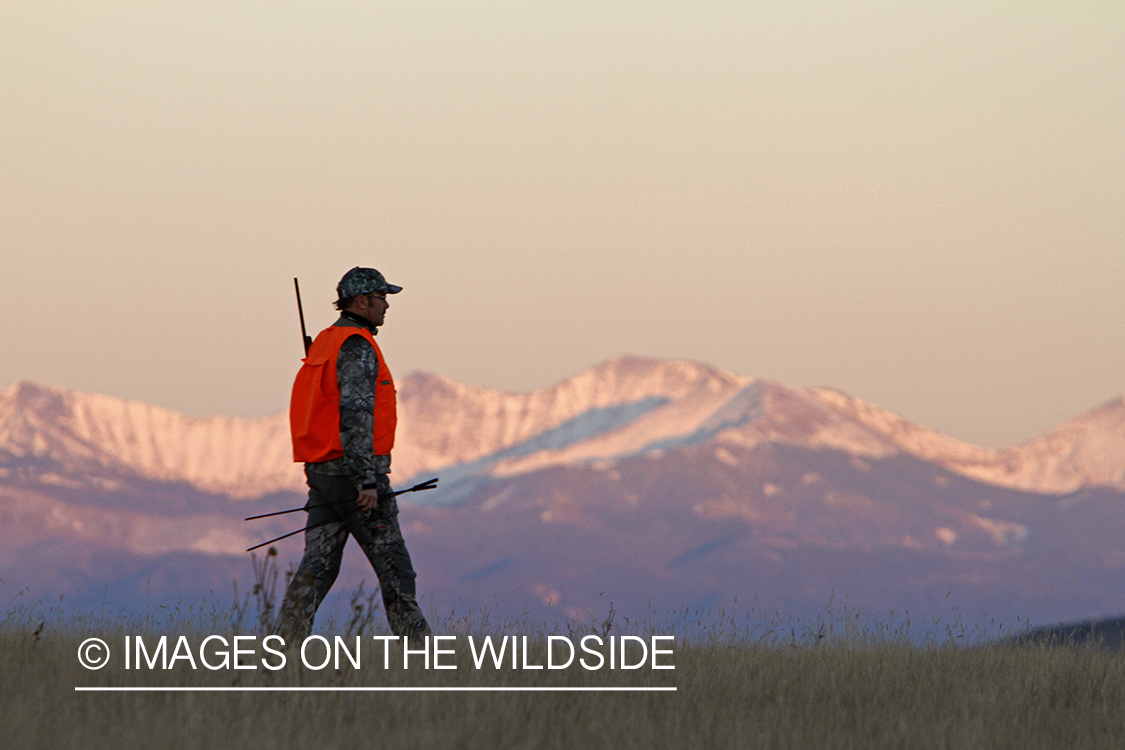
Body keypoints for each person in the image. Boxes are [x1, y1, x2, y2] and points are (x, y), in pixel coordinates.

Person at [275, 266, 431, 641]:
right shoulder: (357, 346)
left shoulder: (324, 343)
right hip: (355, 477)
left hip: (322, 473)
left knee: (318, 567)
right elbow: (356, 413)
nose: (386, 306)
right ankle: (426, 660)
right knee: (396, 570)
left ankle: (279, 649)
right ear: (362, 302)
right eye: (382, 298)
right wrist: (367, 481)